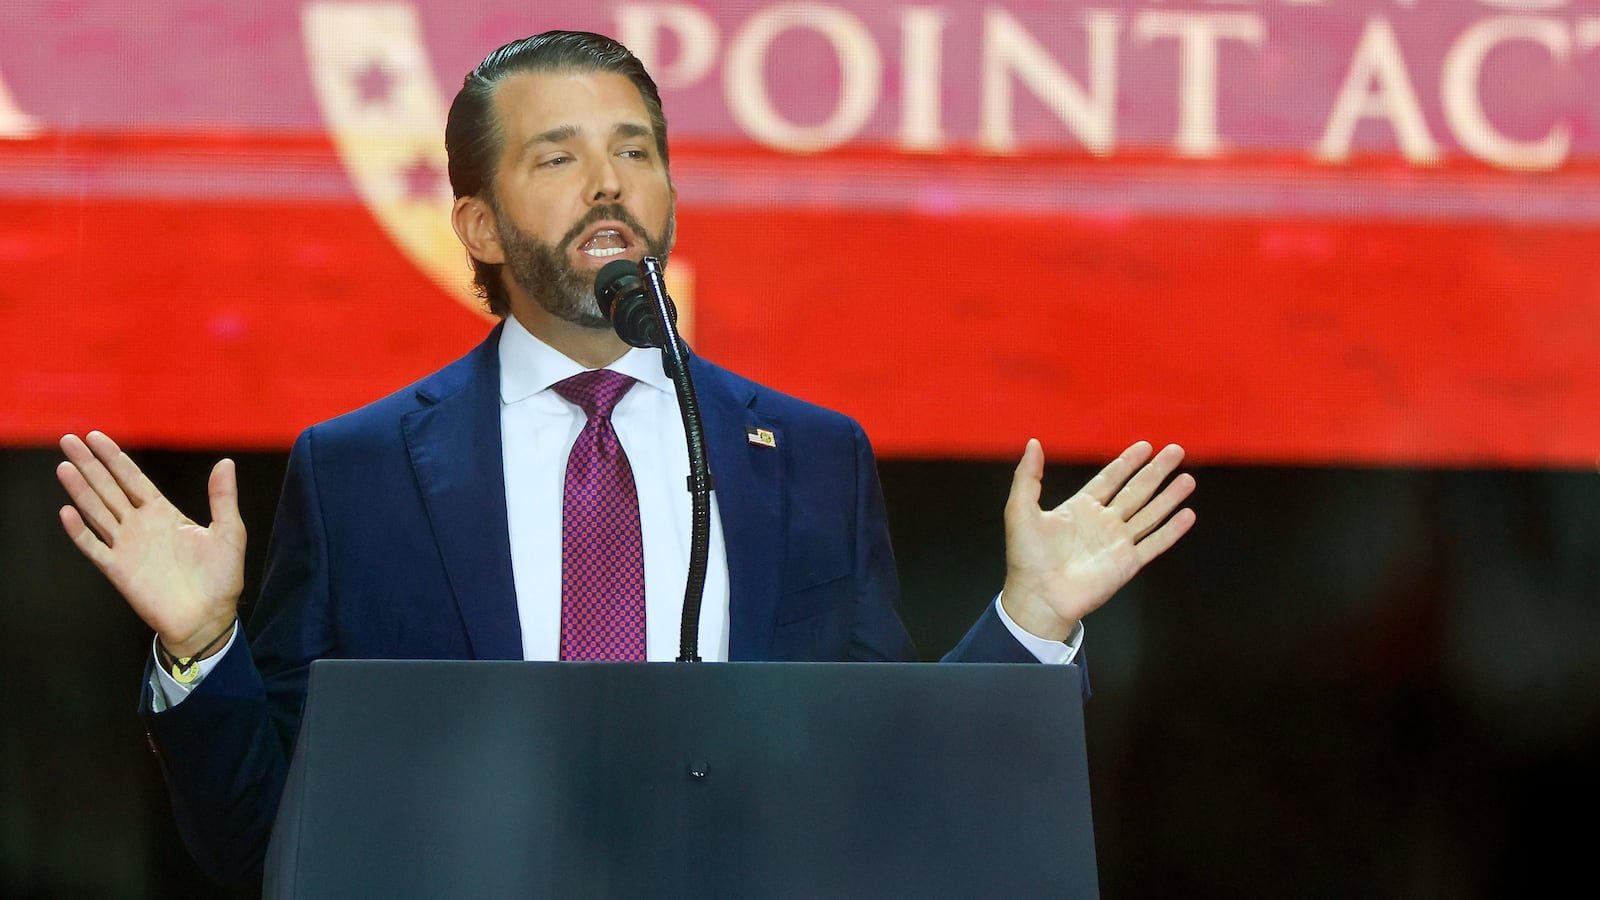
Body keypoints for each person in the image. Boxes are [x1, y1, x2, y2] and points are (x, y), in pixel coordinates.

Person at [53, 31, 1196, 884]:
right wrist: (204, 650)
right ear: (481, 226)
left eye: (634, 151)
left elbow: (881, 793)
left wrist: (1027, 629)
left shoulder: (808, 458)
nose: (608, 182)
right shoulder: (356, 472)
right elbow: (269, 838)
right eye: (557, 157)